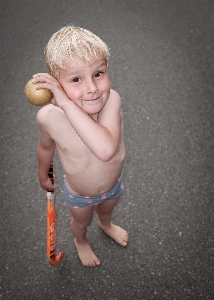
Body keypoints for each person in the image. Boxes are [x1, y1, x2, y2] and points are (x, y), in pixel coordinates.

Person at [33, 26, 128, 267]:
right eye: (76, 79)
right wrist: (43, 174)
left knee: (106, 211)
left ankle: (106, 224)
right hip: (80, 193)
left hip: (112, 185)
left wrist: (66, 101)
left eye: (99, 73)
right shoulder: (49, 118)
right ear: (56, 83)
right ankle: (81, 241)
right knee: (81, 222)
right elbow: (45, 148)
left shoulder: (111, 101)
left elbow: (105, 149)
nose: (92, 88)